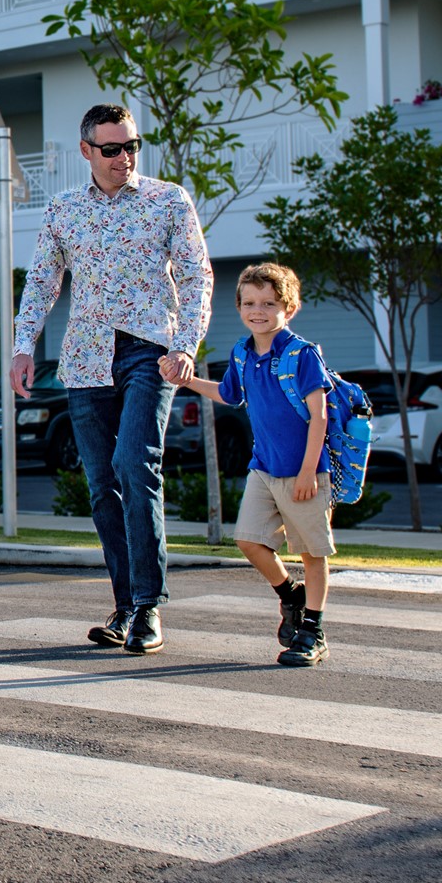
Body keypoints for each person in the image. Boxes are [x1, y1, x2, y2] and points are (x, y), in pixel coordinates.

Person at [10, 103, 211, 655]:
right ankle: (124, 606)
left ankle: (149, 607)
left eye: (131, 147)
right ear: (86, 152)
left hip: (151, 351)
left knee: (135, 464)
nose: (124, 158)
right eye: (111, 149)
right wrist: (23, 347)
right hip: (85, 359)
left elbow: (197, 275)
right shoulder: (63, 209)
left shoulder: (168, 200)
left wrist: (184, 346)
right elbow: (41, 283)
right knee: (102, 485)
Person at [173, 262, 334, 667]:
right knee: (248, 540)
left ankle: (313, 632)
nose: (257, 310)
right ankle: (290, 596)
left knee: (313, 554)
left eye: (268, 303)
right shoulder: (242, 353)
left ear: (288, 308)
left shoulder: (302, 355)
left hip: (305, 472)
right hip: (263, 467)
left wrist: (307, 473)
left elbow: (320, 417)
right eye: (248, 303)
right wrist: (186, 380)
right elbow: (230, 395)